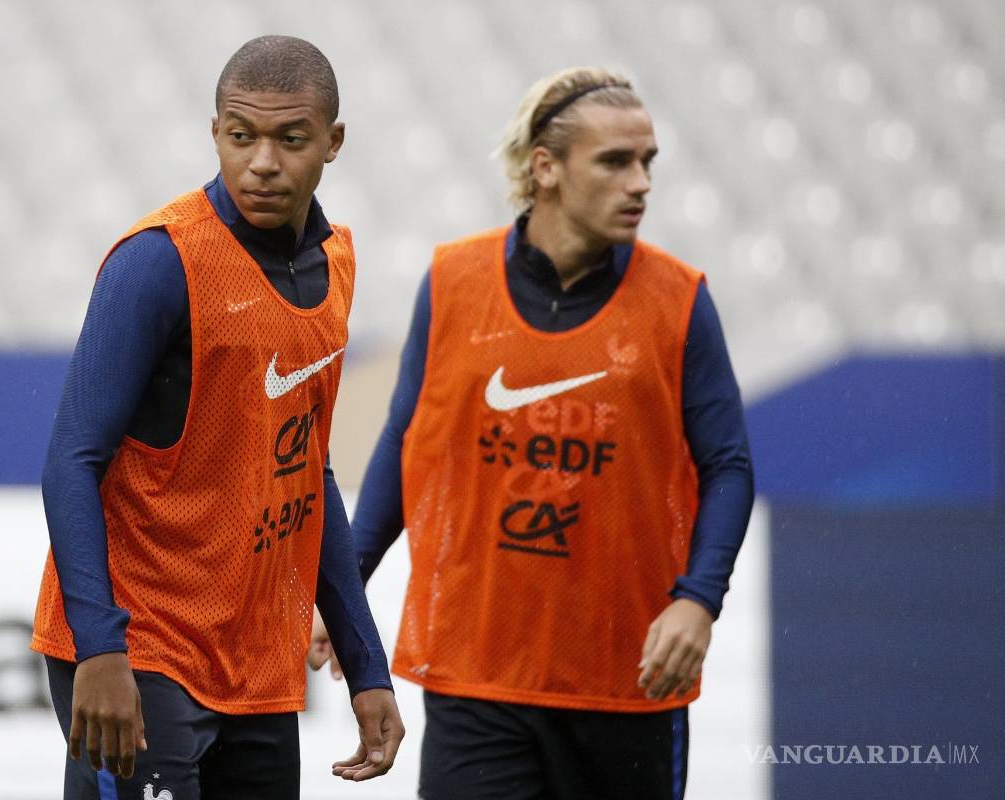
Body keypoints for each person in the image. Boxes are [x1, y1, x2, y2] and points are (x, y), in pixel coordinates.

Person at [310, 67, 754, 799]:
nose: (640, 182)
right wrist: (346, 591)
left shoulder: (679, 302)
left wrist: (698, 599)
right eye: (615, 161)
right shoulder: (455, 280)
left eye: (648, 162)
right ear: (545, 167)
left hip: (626, 681)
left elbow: (729, 465)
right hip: (479, 674)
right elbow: (405, 438)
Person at [31, 35, 403, 800]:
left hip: (254, 658)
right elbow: (71, 459)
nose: (262, 161)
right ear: (216, 134)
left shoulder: (337, 264)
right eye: (242, 136)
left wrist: (367, 665)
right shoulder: (158, 261)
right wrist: (100, 652)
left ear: (333, 143)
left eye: (290, 139)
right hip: (142, 648)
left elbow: (306, 473)